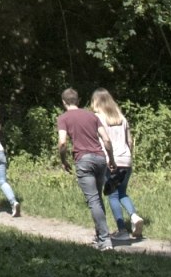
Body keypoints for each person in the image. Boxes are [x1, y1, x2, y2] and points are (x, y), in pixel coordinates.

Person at [56, 88, 115, 251]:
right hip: (100, 159)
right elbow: (106, 139)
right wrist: (112, 159)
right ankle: (100, 236)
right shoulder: (92, 116)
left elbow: (62, 143)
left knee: (93, 200)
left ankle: (105, 240)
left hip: (83, 160)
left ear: (63, 102)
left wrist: (63, 160)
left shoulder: (63, 118)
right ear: (78, 100)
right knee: (98, 199)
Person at [91, 88, 145, 239]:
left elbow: (100, 140)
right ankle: (134, 216)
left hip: (111, 161)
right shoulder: (121, 117)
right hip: (126, 159)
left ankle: (122, 231)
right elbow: (129, 141)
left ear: (96, 102)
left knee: (112, 195)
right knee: (122, 192)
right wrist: (128, 155)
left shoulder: (98, 118)